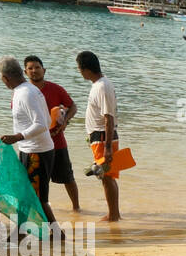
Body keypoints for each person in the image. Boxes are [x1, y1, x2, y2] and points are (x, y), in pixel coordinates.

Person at [0, 54, 57, 230]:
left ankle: (52, 233)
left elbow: (42, 123)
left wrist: (17, 137)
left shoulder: (25, 93)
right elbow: (46, 118)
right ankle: (26, 233)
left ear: (5, 78)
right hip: (33, 149)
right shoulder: (26, 90)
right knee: (29, 196)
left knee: (34, 198)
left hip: (36, 151)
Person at [24, 55, 81, 212]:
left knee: (67, 178)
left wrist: (65, 122)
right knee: (37, 181)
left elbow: (72, 106)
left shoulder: (56, 89)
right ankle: (39, 211)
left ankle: (76, 209)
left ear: (44, 70)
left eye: (37, 67)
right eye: (30, 68)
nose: (34, 70)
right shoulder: (24, 92)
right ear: (25, 72)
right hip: (36, 145)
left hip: (57, 142)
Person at [77, 50, 121, 222]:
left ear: (86, 69)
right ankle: (114, 214)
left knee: (107, 176)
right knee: (105, 176)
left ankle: (113, 215)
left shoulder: (102, 86)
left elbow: (108, 117)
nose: (80, 72)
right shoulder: (99, 84)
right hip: (99, 137)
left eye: (80, 69)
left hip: (103, 137)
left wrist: (108, 147)